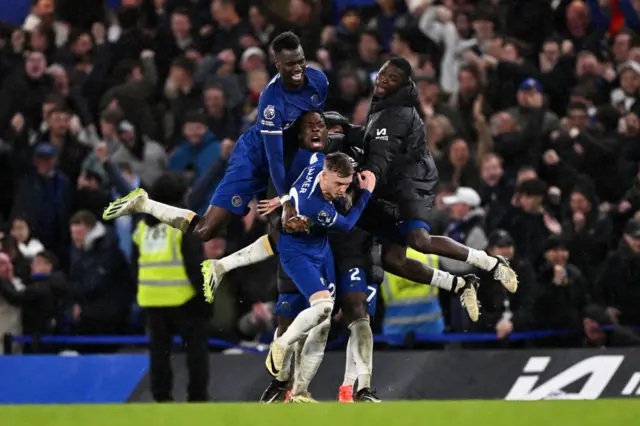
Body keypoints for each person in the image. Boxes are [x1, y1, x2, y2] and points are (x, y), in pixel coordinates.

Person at [101, 31, 328, 276]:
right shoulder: (270, 101)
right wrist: (284, 200)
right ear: (277, 66)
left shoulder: (318, 82)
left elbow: (313, 124)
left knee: (290, 227)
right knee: (205, 230)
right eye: (290, 64)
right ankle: (146, 204)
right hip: (254, 158)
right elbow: (273, 158)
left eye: (300, 61)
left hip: (289, 153)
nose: (297, 68)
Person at [264, 152, 377, 397]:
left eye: (346, 185)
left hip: (320, 250)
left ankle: (300, 392)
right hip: (298, 254)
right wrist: (366, 192)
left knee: (323, 319)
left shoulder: (317, 165)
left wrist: (284, 198)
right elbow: (347, 225)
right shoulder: (314, 205)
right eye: (338, 184)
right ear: (324, 176)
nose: (341, 190)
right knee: (324, 306)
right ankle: (281, 345)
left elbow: (318, 154)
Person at [132, 173, 210, 402]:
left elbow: (134, 264)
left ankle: (161, 397)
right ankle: (197, 397)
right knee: (196, 352)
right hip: (184, 298)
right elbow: (194, 265)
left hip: (152, 299)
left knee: (159, 354)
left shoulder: (142, 228)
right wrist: (205, 298)